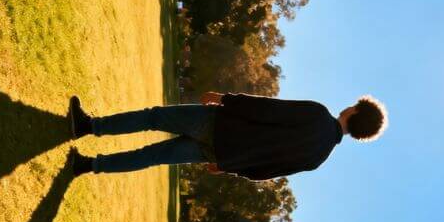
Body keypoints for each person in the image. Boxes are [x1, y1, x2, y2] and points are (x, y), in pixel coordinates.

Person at [67, 92, 387, 181]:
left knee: (154, 117)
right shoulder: (319, 159)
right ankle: (88, 166)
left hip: (220, 124)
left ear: (356, 113)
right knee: (154, 157)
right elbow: (266, 173)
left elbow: (268, 110)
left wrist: (226, 99)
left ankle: (89, 127)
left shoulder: (319, 114)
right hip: (220, 154)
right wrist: (227, 167)